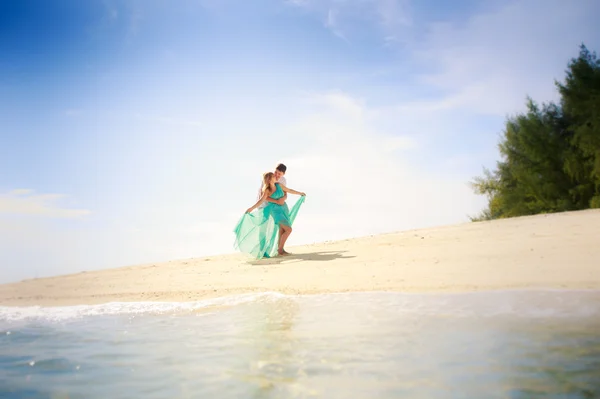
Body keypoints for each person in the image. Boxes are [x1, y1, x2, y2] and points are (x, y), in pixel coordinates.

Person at [234, 171, 306, 258]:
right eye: (273, 176)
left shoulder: (279, 185)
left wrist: (300, 193)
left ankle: (281, 250)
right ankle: (280, 250)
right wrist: (251, 208)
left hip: (283, 208)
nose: (275, 177)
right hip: (275, 211)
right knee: (288, 229)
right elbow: (261, 201)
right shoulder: (267, 190)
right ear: (269, 179)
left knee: (282, 230)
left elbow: (289, 190)